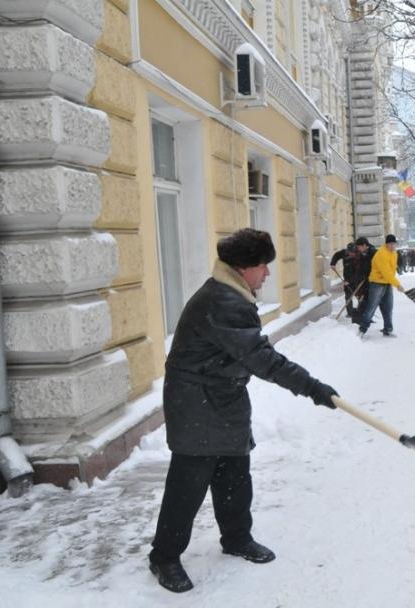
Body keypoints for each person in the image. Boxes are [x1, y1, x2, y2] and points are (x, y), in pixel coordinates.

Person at [148, 228, 339, 593]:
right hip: (196, 402)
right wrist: (312, 388)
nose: (267, 273)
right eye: (264, 266)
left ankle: (236, 538)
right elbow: (262, 359)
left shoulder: (232, 293)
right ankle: (164, 556)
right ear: (246, 267)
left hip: (223, 395)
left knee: (235, 473)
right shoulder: (225, 302)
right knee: (188, 484)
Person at [358, 234, 404, 338]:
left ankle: (388, 329)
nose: (392, 246)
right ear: (386, 244)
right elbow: (386, 272)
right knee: (372, 307)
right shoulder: (381, 254)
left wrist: (393, 281)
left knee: (388, 307)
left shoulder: (394, 254)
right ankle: (362, 330)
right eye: (390, 244)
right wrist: (397, 284)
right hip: (377, 283)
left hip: (387, 283)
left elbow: (392, 270)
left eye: (394, 244)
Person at [330, 242, 359, 319]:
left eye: (352, 252)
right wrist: (333, 263)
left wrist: (349, 281)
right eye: (349, 252)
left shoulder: (359, 256)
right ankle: (350, 313)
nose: (351, 254)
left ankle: (362, 312)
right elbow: (336, 255)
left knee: (359, 296)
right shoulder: (344, 252)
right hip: (347, 277)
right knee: (348, 296)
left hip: (357, 279)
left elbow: (359, 272)